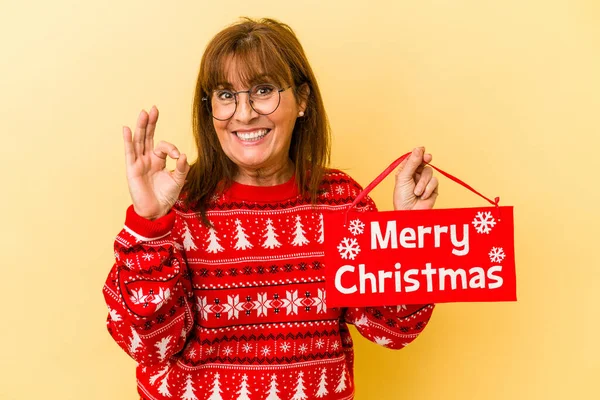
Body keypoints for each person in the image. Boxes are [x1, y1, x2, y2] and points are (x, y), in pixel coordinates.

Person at [103, 17, 439, 400]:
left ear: (303, 100)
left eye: (263, 90)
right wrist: (150, 224)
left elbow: (393, 329)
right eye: (226, 95)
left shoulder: (344, 202)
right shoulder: (176, 205)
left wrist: (410, 235)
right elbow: (147, 346)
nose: (244, 114)